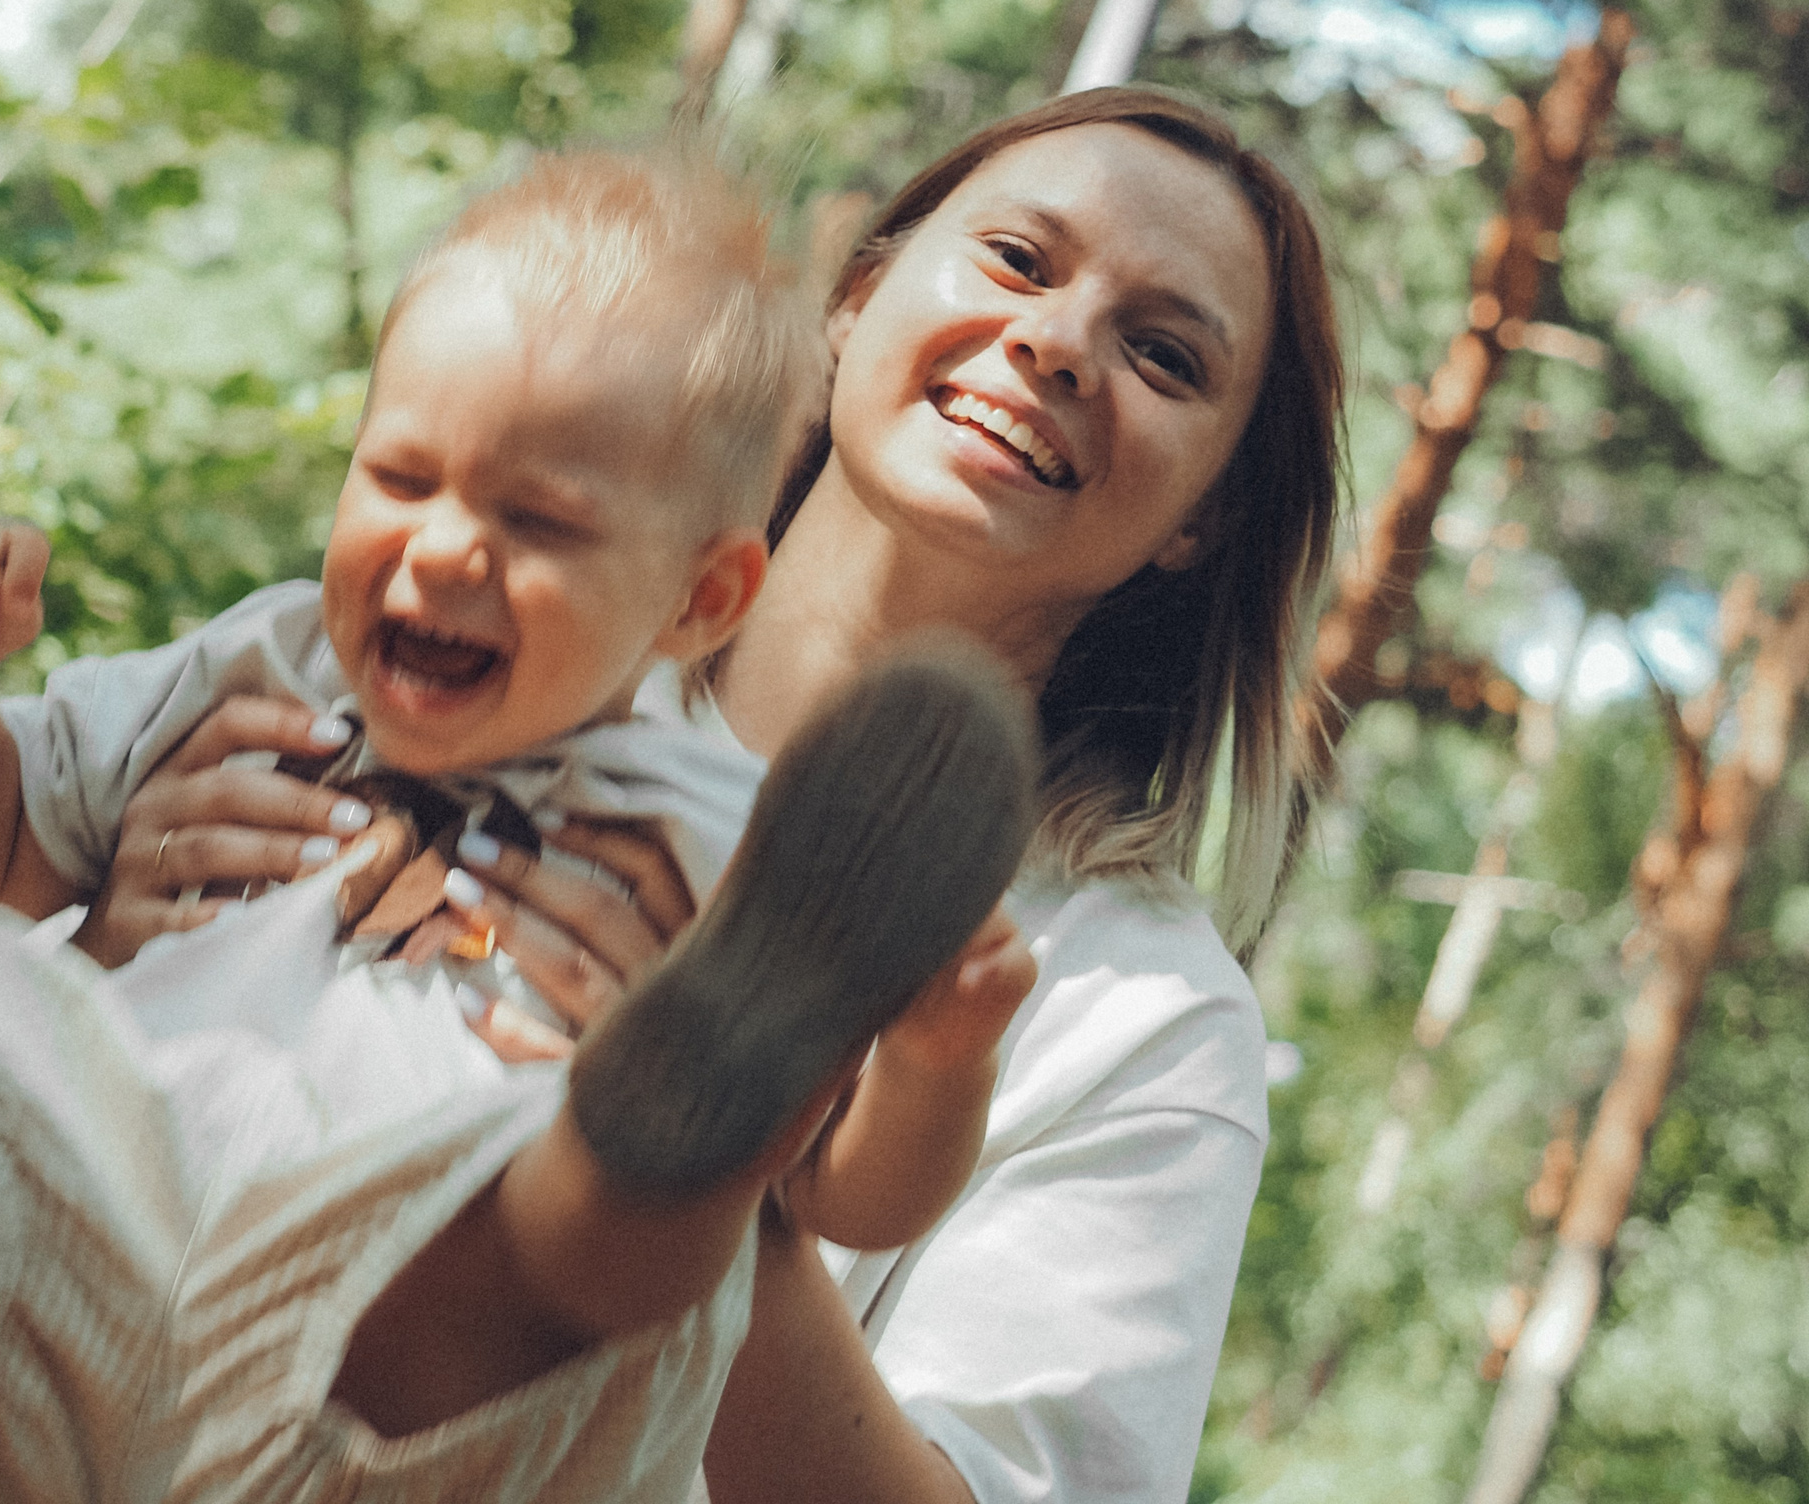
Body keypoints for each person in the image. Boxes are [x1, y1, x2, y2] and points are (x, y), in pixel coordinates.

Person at [0, 147, 1042, 1503]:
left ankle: (660, 1129)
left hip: (409, 1413)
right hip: (84, 1285)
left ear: (699, 598)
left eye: (538, 519)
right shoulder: (260, 663)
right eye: (405, 474)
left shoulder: (714, 831)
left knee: (568, 1225)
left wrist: (937, 1061)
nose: (443, 547)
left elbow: (855, 1197)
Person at [97, 85, 1346, 1504]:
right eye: (1018, 260)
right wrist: (107, 933)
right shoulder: (469, 639)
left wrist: (705, 1155)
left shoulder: (1137, 1013)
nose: (1059, 343)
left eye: (1165, 355)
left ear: (1208, 518)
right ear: (857, 293)